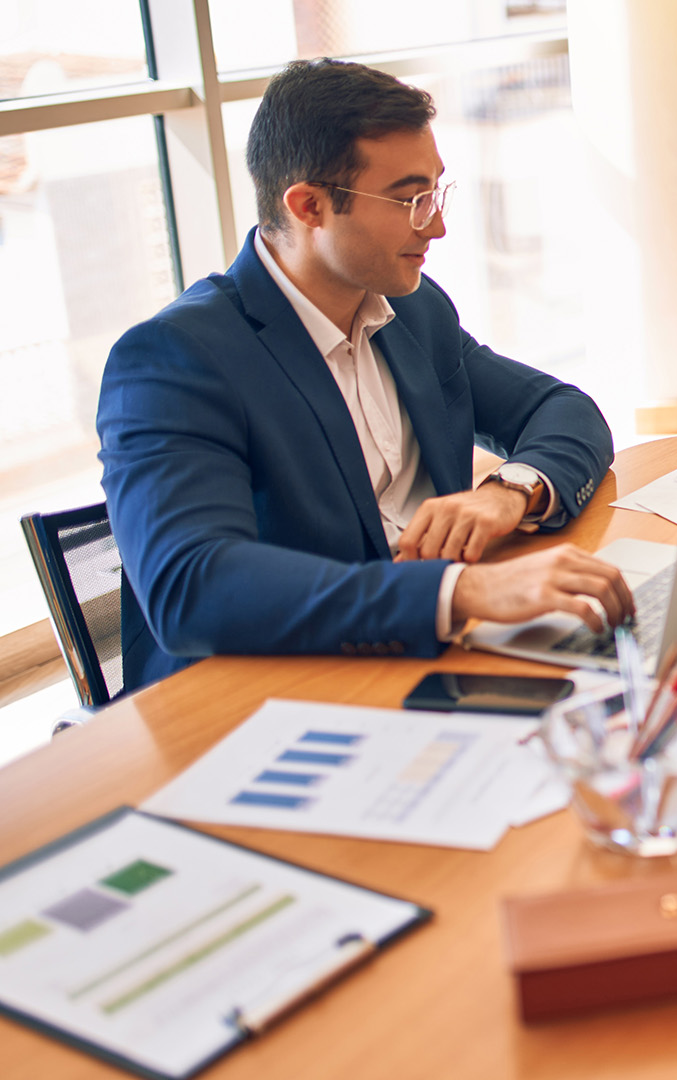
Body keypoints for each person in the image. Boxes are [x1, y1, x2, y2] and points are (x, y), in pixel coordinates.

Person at [98, 59, 633, 693]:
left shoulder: (411, 308)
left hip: (436, 658)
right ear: (309, 206)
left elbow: (563, 409)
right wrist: (459, 590)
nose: (436, 225)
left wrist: (504, 494)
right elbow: (193, 586)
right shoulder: (173, 359)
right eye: (410, 200)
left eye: (436, 192)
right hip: (270, 699)